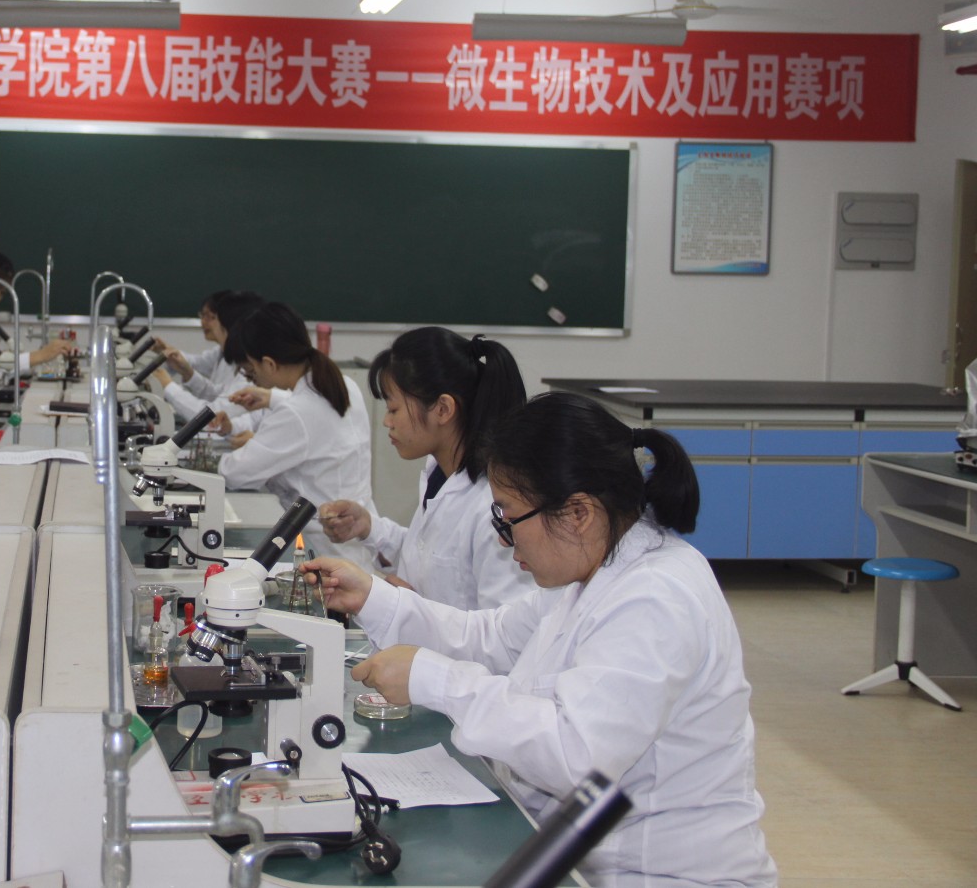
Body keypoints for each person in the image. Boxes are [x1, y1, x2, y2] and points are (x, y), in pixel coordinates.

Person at [302, 392, 777, 888]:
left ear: (578, 513)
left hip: (660, 876)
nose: (503, 539)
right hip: (584, 859)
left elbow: (577, 754)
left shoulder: (655, 596)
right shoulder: (599, 568)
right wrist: (372, 597)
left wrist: (436, 681)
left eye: (509, 518)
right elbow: (493, 637)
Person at [319, 328, 534, 608]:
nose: (387, 422)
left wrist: (408, 609)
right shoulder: (440, 474)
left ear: (443, 409)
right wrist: (369, 528)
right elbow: (430, 560)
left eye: (394, 409)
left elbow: (504, 628)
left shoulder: (492, 506)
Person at [215, 302, 377, 566]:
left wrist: (234, 452)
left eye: (251, 370)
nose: (252, 378)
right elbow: (314, 417)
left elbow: (233, 472)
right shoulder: (344, 385)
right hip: (354, 549)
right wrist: (272, 398)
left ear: (269, 364)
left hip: (322, 555)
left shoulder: (296, 413)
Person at [150, 289, 265, 426]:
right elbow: (220, 396)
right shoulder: (236, 358)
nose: (205, 323)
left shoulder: (250, 370)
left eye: (213, 318)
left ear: (231, 326)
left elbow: (212, 416)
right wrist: (188, 374)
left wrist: (169, 386)